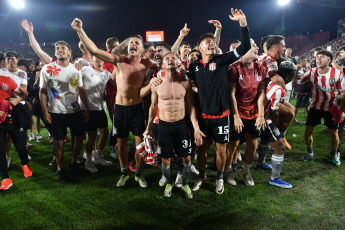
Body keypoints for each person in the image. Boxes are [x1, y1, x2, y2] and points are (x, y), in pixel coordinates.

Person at [71, 18, 161, 188]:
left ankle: (139, 175)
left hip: (137, 110)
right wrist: (80, 30)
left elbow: (168, 61)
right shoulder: (119, 60)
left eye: (137, 43)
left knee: (139, 144)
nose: (133, 44)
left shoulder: (147, 63)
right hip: (120, 110)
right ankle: (124, 173)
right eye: (131, 42)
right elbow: (95, 51)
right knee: (121, 144)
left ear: (142, 49)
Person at [188, 8, 251, 194]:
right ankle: (201, 176)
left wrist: (243, 22)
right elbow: (188, 84)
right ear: (199, 47)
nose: (211, 44)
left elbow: (245, 46)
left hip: (222, 115)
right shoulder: (194, 66)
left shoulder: (222, 60)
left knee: (221, 151)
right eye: (207, 43)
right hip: (203, 117)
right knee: (201, 151)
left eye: (212, 42)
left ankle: (220, 178)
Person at [143, 53, 204, 198]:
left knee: (187, 158)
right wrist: (148, 128)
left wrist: (196, 128)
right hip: (164, 126)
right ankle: (169, 182)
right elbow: (153, 107)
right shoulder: (156, 84)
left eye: (173, 58)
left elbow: (191, 108)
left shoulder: (186, 83)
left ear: (177, 63)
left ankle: (186, 183)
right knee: (165, 159)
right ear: (162, 65)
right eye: (167, 59)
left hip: (181, 125)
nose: (171, 60)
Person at [39, 41, 90, 183]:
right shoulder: (48, 69)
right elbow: (42, 92)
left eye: (63, 48)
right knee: (59, 142)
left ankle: (73, 162)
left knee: (79, 138)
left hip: (74, 111)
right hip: (56, 112)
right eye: (57, 48)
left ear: (69, 53)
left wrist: (85, 109)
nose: (59, 50)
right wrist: (45, 111)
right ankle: (60, 169)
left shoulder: (75, 69)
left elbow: (81, 90)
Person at [292, 50, 345, 166]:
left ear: (329, 60)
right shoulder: (311, 72)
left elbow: (343, 94)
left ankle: (334, 153)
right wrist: (295, 78)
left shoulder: (338, 74)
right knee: (307, 132)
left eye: (321, 57)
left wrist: (342, 111)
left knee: (334, 133)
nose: (318, 59)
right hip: (315, 107)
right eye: (317, 57)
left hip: (332, 108)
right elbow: (296, 84)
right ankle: (309, 151)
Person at [227, 39, 266, 186]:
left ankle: (246, 170)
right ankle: (229, 170)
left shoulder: (261, 68)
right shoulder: (234, 69)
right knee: (233, 145)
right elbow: (231, 94)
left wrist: (261, 115)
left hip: (254, 114)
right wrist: (236, 116)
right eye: (253, 46)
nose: (257, 47)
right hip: (237, 113)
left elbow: (261, 92)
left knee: (253, 145)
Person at [258, 35, 295, 151]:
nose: (284, 48)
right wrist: (284, 88)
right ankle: (274, 139)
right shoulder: (268, 60)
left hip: (267, 94)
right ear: (275, 47)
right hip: (260, 97)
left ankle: (276, 137)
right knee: (284, 114)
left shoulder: (271, 59)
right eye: (283, 46)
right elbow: (275, 78)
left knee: (290, 112)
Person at [263, 61, 296, 188]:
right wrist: (275, 125)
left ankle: (260, 163)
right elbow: (274, 111)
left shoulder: (270, 76)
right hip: (263, 117)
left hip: (253, 115)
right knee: (280, 147)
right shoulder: (279, 85)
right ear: (288, 77)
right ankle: (275, 178)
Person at [80, 55, 115, 173]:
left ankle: (99, 157)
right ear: (92, 59)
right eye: (96, 58)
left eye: (101, 58)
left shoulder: (106, 73)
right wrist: (85, 107)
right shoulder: (85, 70)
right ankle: (88, 161)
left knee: (105, 132)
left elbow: (115, 82)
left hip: (99, 107)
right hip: (87, 108)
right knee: (92, 135)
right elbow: (78, 87)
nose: (99, 60)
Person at [0, 68, 31, 190]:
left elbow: (24, 94)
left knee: (21, 147)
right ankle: (5, 179)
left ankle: (24, 163)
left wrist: (17, 99)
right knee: (0, 150)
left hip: (14, 120)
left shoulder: (7, 80)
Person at [293, 56, 311, 124]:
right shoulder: (297, 69)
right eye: (305, 61)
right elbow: (298, 80)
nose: (306, 62)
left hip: (305, 89)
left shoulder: (302, 69)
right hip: (301, 89)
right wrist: (306, 80)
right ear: (301, 62)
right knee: (298, 105)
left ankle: (310, 118)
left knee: (306, 104)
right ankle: (293, 119)